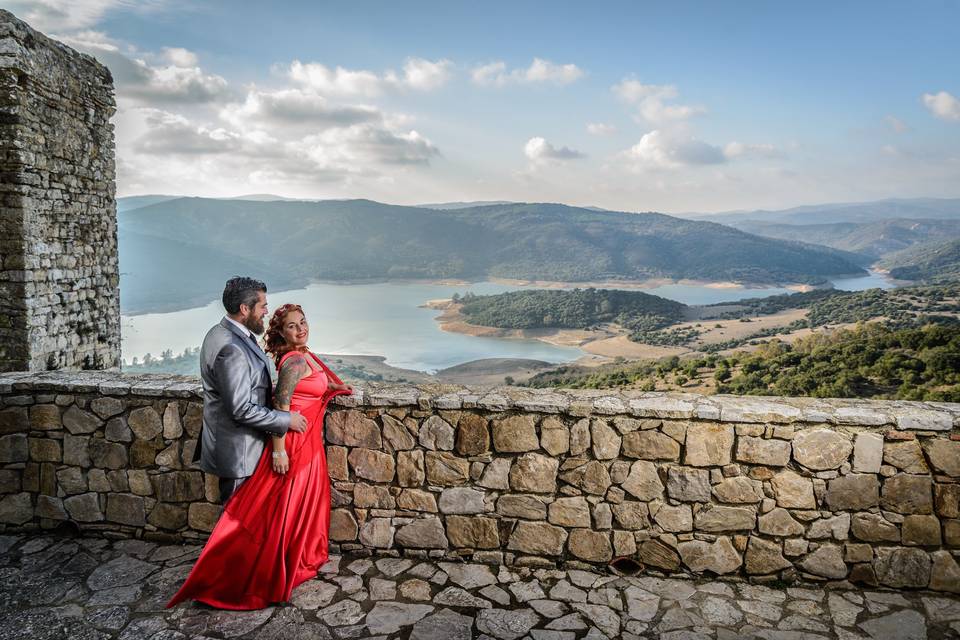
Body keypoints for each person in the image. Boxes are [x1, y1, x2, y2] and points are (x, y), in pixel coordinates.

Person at [168, 303, 353, 610]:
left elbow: (308, 387)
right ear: (281, 332)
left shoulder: (302, 354)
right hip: (294, 442)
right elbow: (282, 406)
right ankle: (250, 574)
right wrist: (279, 451)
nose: (301, 328)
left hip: (306, 441)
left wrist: (332, 385)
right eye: (292, 326)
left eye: (303, 322)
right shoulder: (292, 362)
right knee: (279, 512)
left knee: (292, 509)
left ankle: (284, 560)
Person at [193, 276, 308, 502]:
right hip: (240, 453)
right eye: (262, 306)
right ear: (245, 309)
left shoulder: (221, 332)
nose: (266, 311)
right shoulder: (231, 347)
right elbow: (240, 409)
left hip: (236, 448)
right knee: (237, 526)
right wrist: (285, 419)